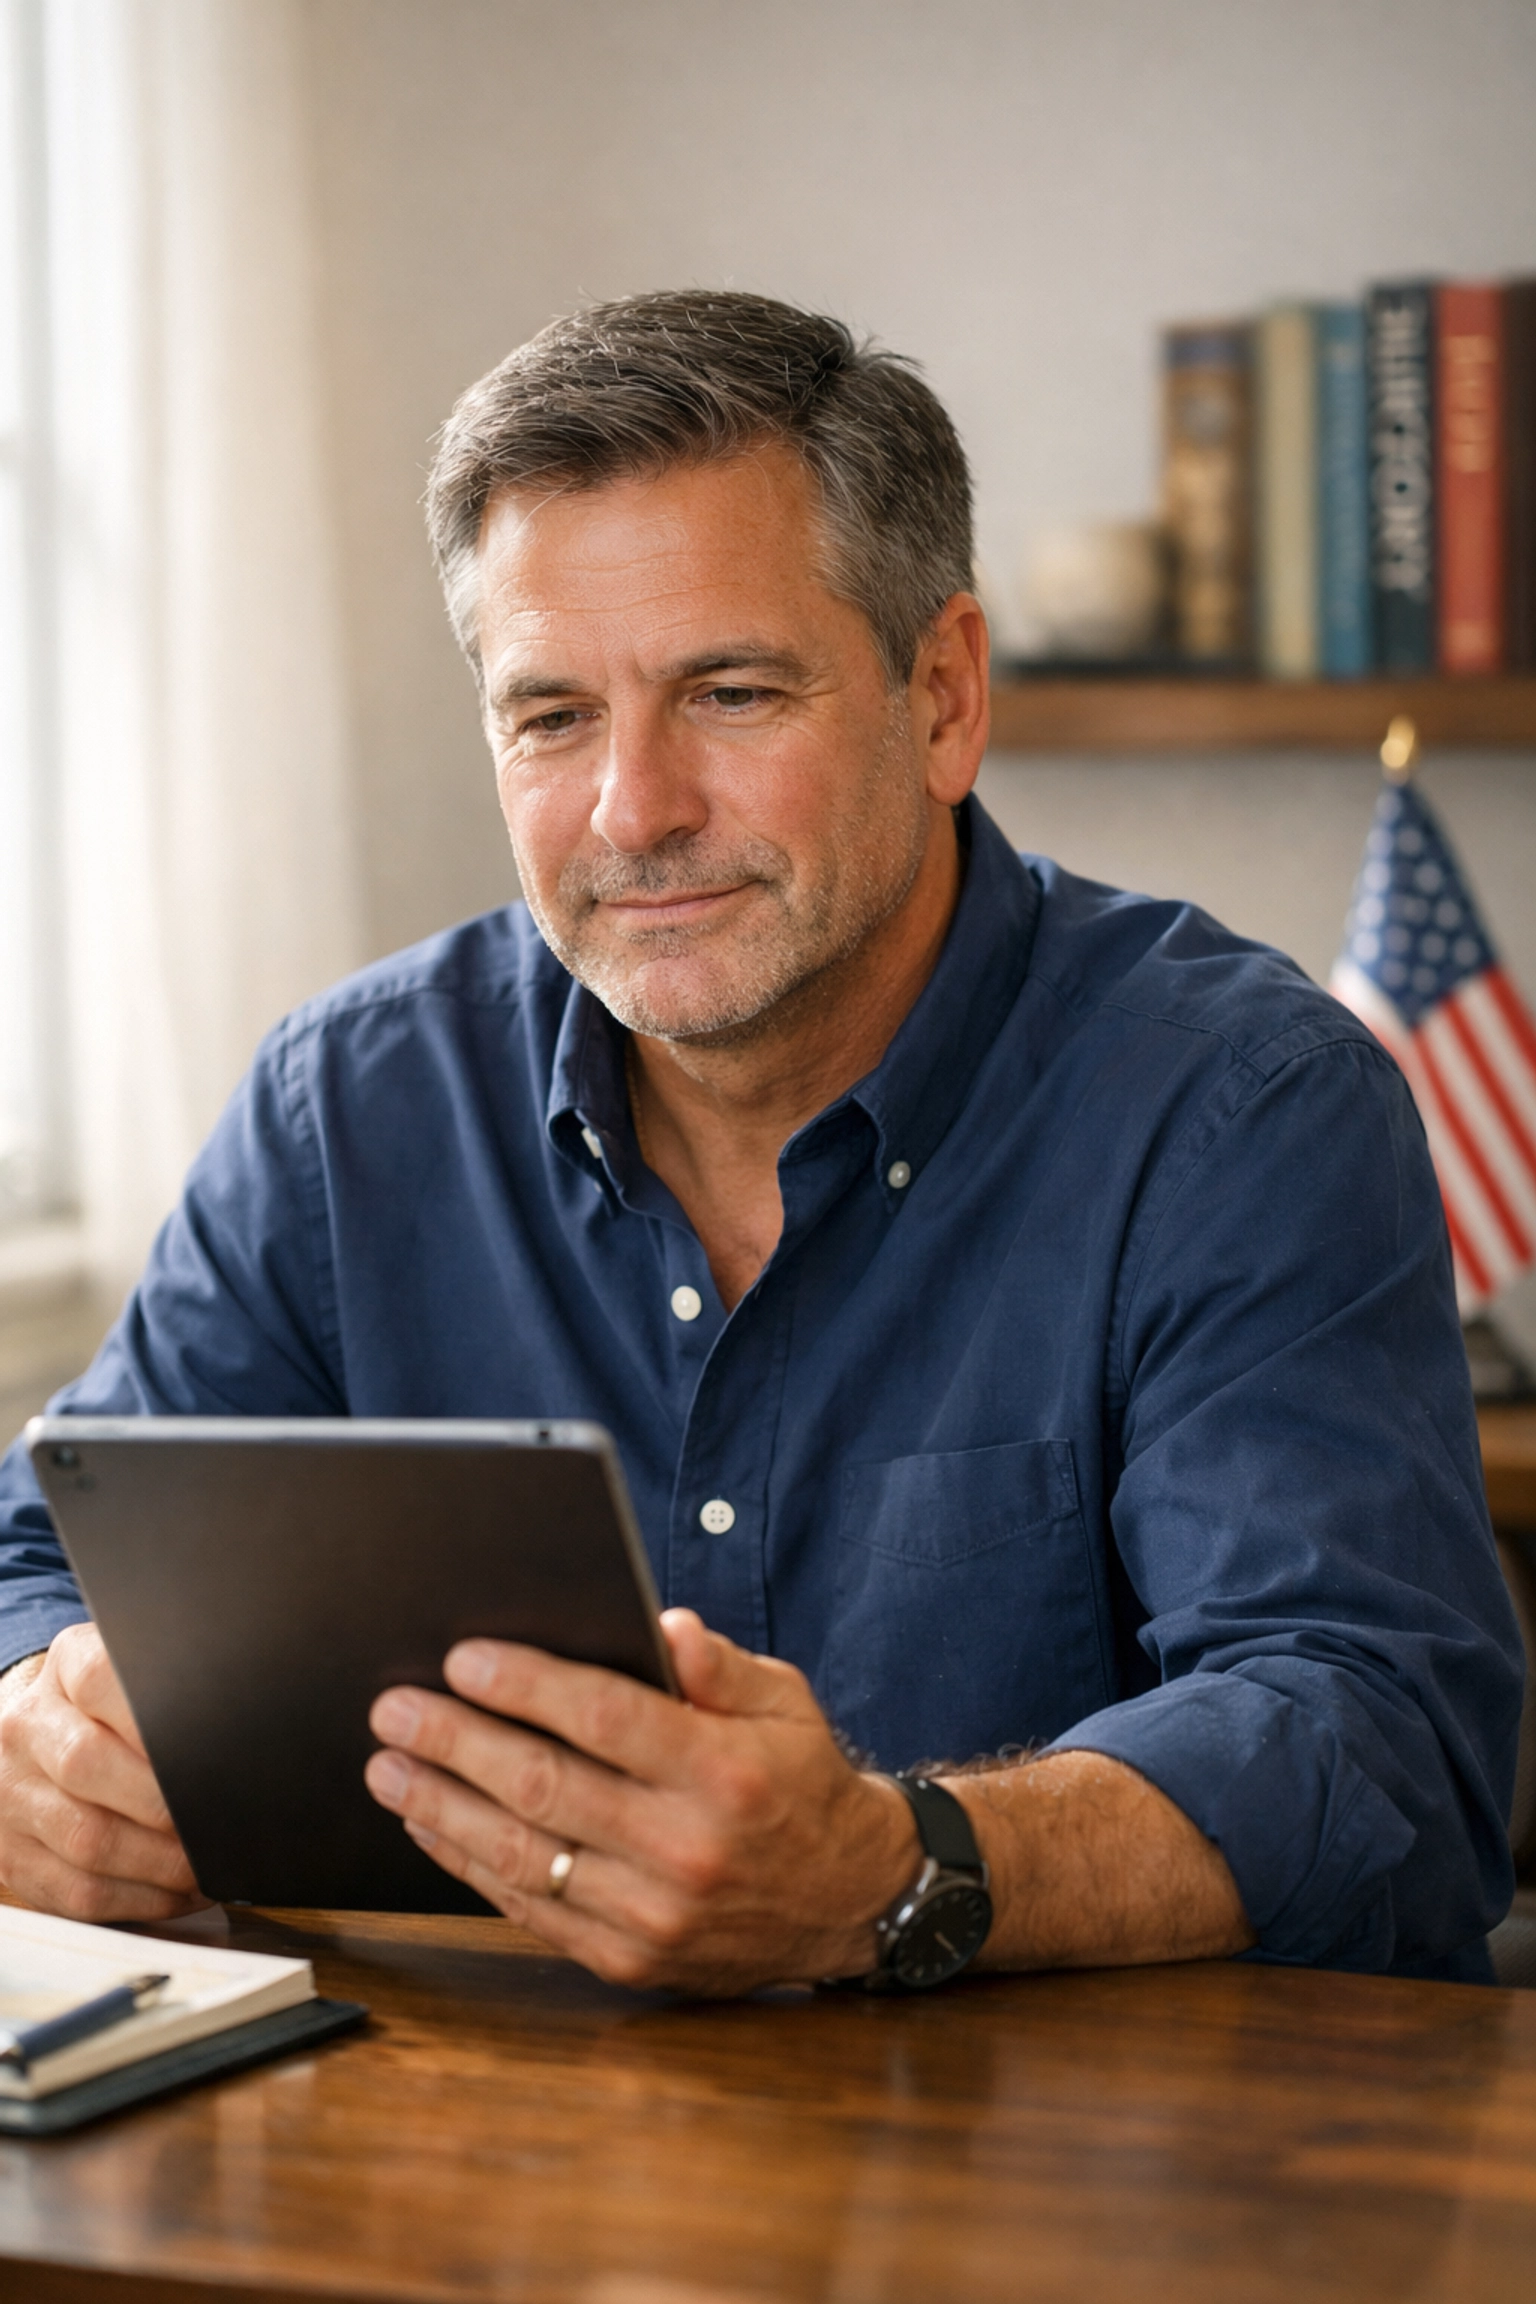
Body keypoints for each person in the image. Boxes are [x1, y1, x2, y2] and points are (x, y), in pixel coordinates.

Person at [0, 291, 1520, 1992]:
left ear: (941, 696)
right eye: (552, 716)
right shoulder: (343, 1111)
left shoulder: (1242, 1108)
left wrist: (899, 1868)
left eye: (727, 692)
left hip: (1090, 2193)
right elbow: (43, 1550)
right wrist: (42, 1729)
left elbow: (1382, 1745)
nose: (632, 811)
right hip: (481, 2174)